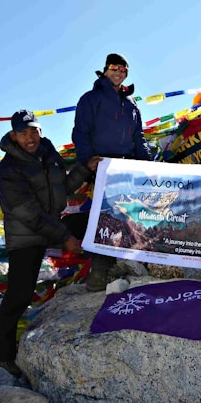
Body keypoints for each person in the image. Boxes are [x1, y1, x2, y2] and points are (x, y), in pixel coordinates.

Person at [0, 109, 101, 376]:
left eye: (34, 131)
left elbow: (62, 187)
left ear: (40, 131)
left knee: (96, 221)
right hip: (26, 236)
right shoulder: (7, 171)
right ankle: (4, 356)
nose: (30, 138)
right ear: (13, 136)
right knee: (19, 295)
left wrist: (85, 168)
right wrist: (65, 238)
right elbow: (29, 214)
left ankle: (105, 273)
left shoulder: (47, 154)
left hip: (52, 224)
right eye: (23, 133)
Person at [72, 53, 151, 291]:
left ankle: (129, 268)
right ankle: (99, 272)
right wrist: (88, 161)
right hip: (103, 164)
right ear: (105, 70)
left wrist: (148, 163)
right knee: (105, 218)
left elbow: (138, 136)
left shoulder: (131, 104)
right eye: (114, 68)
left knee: (131, 217)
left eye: (123, 69)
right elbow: (81, 132)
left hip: (128, 166)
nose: (118, 73)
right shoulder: (91, 99)